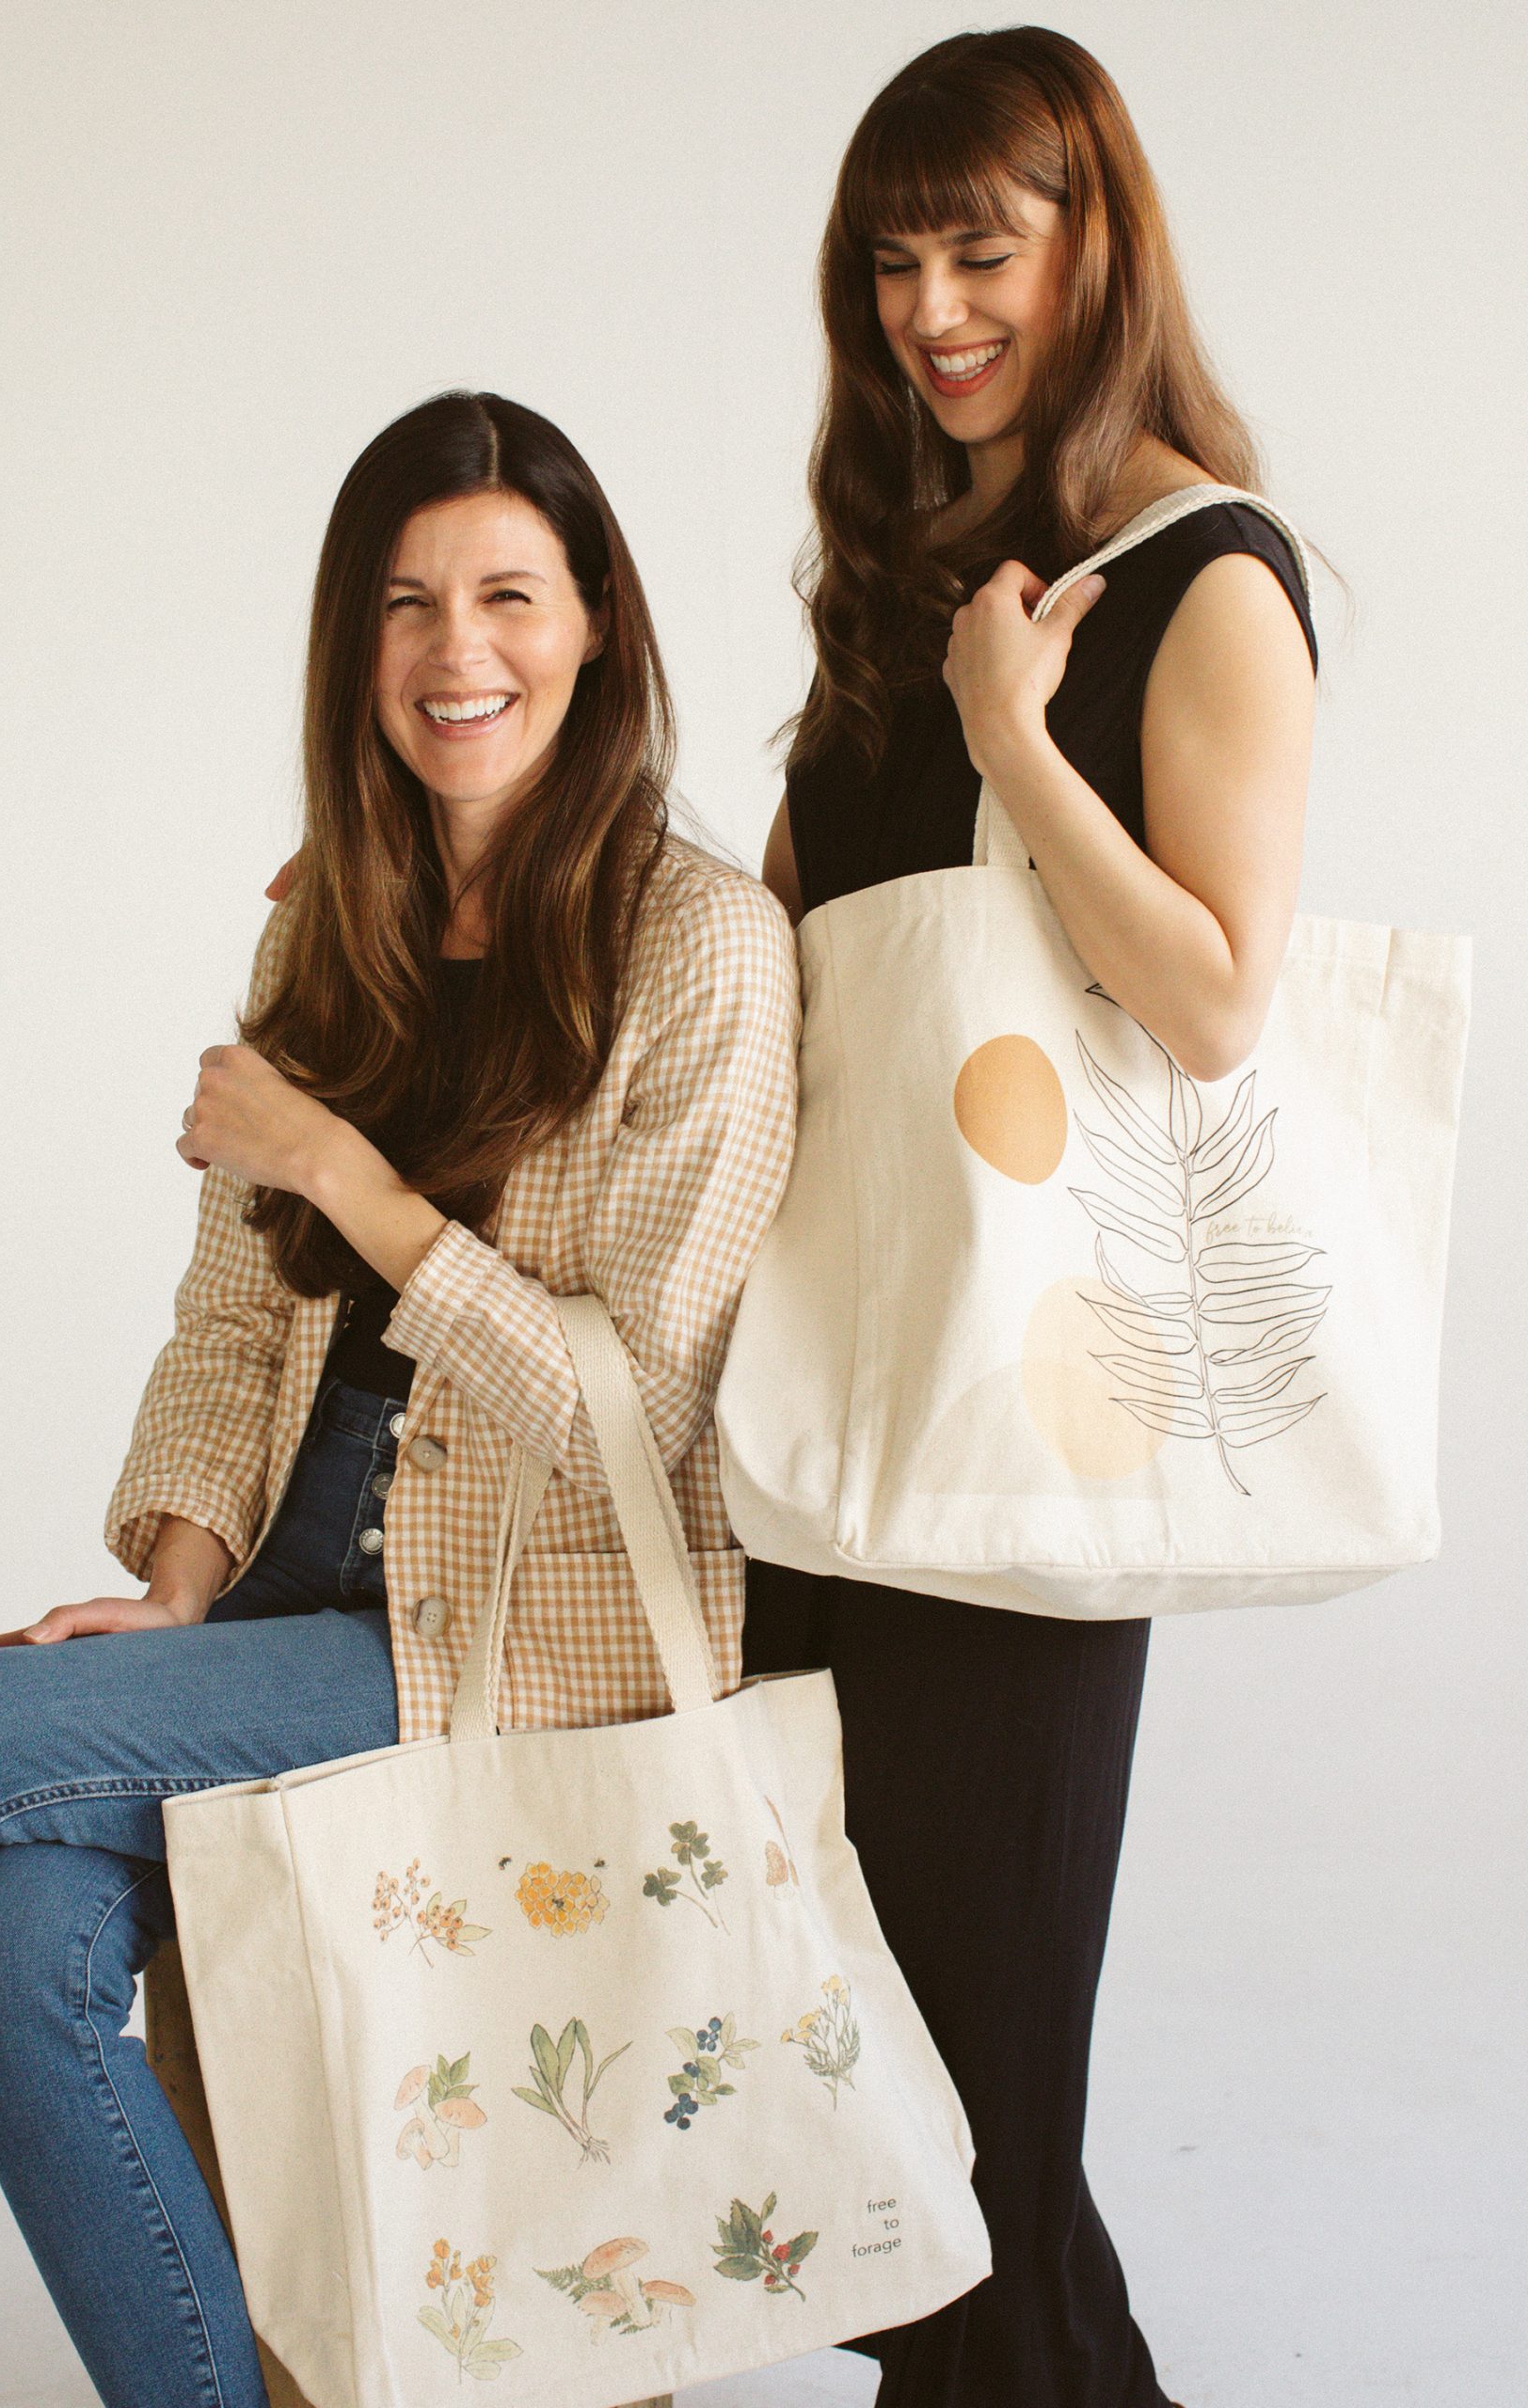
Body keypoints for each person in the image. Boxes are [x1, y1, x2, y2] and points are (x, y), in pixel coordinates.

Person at [0, 389, 799, 2408]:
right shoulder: (324, 922)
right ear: (357, 642)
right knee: (9, 1947)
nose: (457, 650)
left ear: (596, 622)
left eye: (510, 593)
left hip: (515, 1644)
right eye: (407, 602)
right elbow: (227, 1334)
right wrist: (170, 1596)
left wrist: (350, 1173)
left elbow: (643, 1407)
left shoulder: (703, 948)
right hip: (275, 1621)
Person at [742, 29, 1316, 2408]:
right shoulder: (915, 573)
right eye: (895, 263)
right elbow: (780, 966)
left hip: (1022, 1449)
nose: (931, 311)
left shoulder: (1201, 574)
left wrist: (1008, 741)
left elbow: (1212, 993)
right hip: (831, 1409)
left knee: (972, 2137)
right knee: (882, 2124)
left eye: (982, 248)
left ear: (1099, 243)